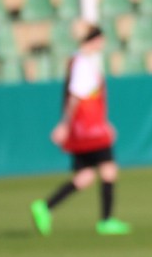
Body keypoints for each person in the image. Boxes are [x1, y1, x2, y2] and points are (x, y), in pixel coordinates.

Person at [30, 24, 131, 236]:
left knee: (85, 175)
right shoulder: (82, 64)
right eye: (100, 38)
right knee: (108, 170)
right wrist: (65, 124)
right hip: (89, 128)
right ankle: (106, 221)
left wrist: (102, 122)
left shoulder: (79, 61)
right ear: (94, 39)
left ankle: (45, 206)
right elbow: (76, 96)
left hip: (87, 126)